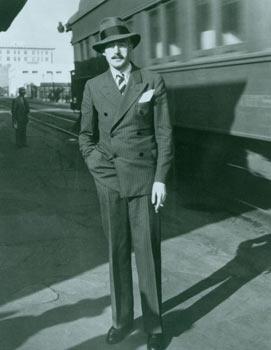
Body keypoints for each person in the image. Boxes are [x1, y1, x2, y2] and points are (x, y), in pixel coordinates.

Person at [79, 17, 173, 350]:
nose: (116, 51)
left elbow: (163, 133)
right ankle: (121, 320)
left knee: (147, 254)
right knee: (117, 251)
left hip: (145, 179)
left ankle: (155, 326)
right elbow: (85, 136)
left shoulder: (152, 80)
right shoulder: (93, 86)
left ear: (130, 47)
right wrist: (96, 166)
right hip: (109, 180)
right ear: (103, 53)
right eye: (109, 47)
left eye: (122, 44)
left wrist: (160, 178)